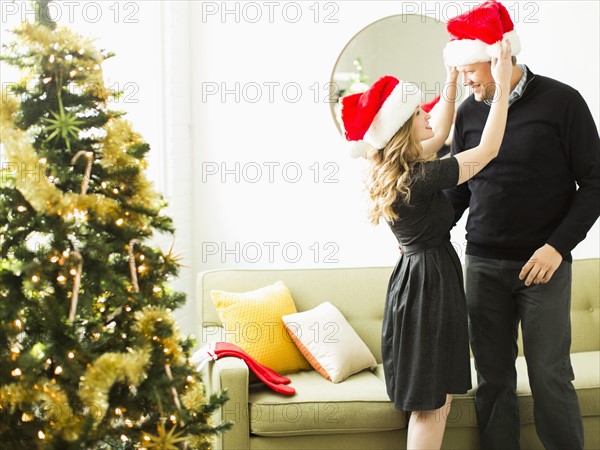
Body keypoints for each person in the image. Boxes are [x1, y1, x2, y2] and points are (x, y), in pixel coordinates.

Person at [339, 39, 513, 449]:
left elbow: (441, 131)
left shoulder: (402, 168)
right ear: (403, 127)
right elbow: (487, 150)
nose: (428, 113)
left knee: (432, 402)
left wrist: (451, 83)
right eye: (419, 112)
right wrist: (502, 86)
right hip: (429, 287)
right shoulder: (419, 178)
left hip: (418, 282)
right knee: (432, 406)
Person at [442, 1, 600, 449]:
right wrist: (429, 233)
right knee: (492, 380)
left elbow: (594, 183)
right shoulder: (470, 113)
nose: (467, 80)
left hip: (543, 266)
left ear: (498, 57)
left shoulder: (562, 101)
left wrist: (557, 248)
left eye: (470, 69)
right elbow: (459, 188)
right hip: (483, 265)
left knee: (550, 376)